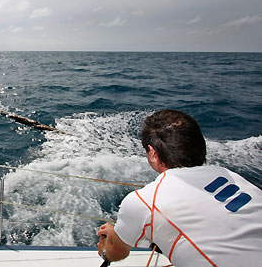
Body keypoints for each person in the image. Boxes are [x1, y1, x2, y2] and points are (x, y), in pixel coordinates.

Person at [96, 109, 262, 266]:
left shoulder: (144, 201)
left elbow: (117, 252)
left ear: (153, 153)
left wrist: (108, 244)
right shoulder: (231, 176)